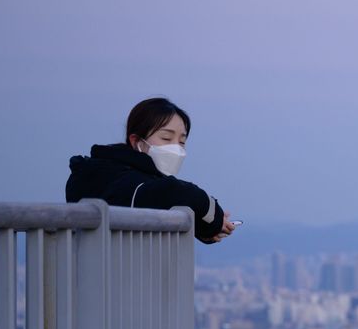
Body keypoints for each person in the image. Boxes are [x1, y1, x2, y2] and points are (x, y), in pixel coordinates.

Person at [66, 97, 235, 243]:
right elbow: (174, 192)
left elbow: (158, 199)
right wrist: (214, 217)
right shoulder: (117, 178)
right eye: (166, 138)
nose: (176, 148)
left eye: (182, 142)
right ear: (137, 142)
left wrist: (203, 228)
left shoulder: (121, 175)